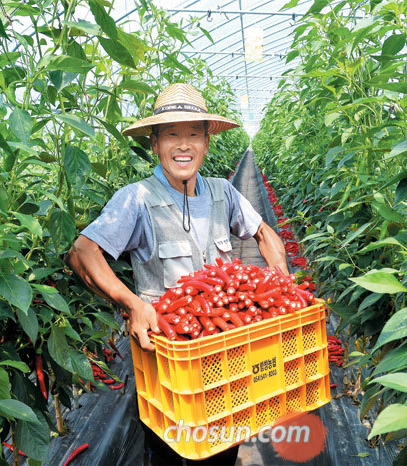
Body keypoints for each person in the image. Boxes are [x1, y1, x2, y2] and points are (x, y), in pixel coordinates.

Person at [65, 83, 289, 465]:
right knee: (167, 454)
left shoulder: (222, 192)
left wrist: (282, 285)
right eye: (171, 134)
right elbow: (82, 252)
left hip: (222, 357)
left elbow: (265, 233)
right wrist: (131, 303)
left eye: (193, 134)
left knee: (222, 449)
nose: (183, 145)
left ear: (206, 142)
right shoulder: (137, 198)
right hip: (165, 361)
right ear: (154, 143)